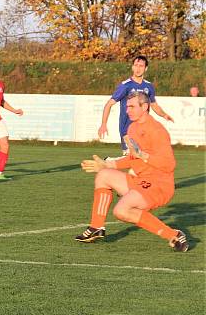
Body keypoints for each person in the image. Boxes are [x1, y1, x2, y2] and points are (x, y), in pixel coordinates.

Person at [77, 91, 187, 252]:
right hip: (141, 181)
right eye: (127, 106)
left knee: (121, 211)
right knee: (103, 175)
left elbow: (169, 165)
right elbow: (132, 158)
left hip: (159, 185)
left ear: (145, 107)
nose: (127, 110)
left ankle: (173, 234)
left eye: (132, 106)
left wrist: (143, 155)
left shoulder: (157, 130)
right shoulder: (133, 127)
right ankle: (96, 227)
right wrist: (108, 165)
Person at [97, 56, 174, 155]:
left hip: (143, 130)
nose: (138, 68)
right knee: (135, 156)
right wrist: (103, 124)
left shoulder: (149, 86)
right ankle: (108, 164)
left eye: (141, 66)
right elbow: (109, 104)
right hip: (128, 130)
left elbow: (154, 105)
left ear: (146, 68)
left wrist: (164, 115)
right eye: (136, 65)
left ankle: (109, 163)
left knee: (142, 159)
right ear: (132, 67)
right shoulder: (125, 86)